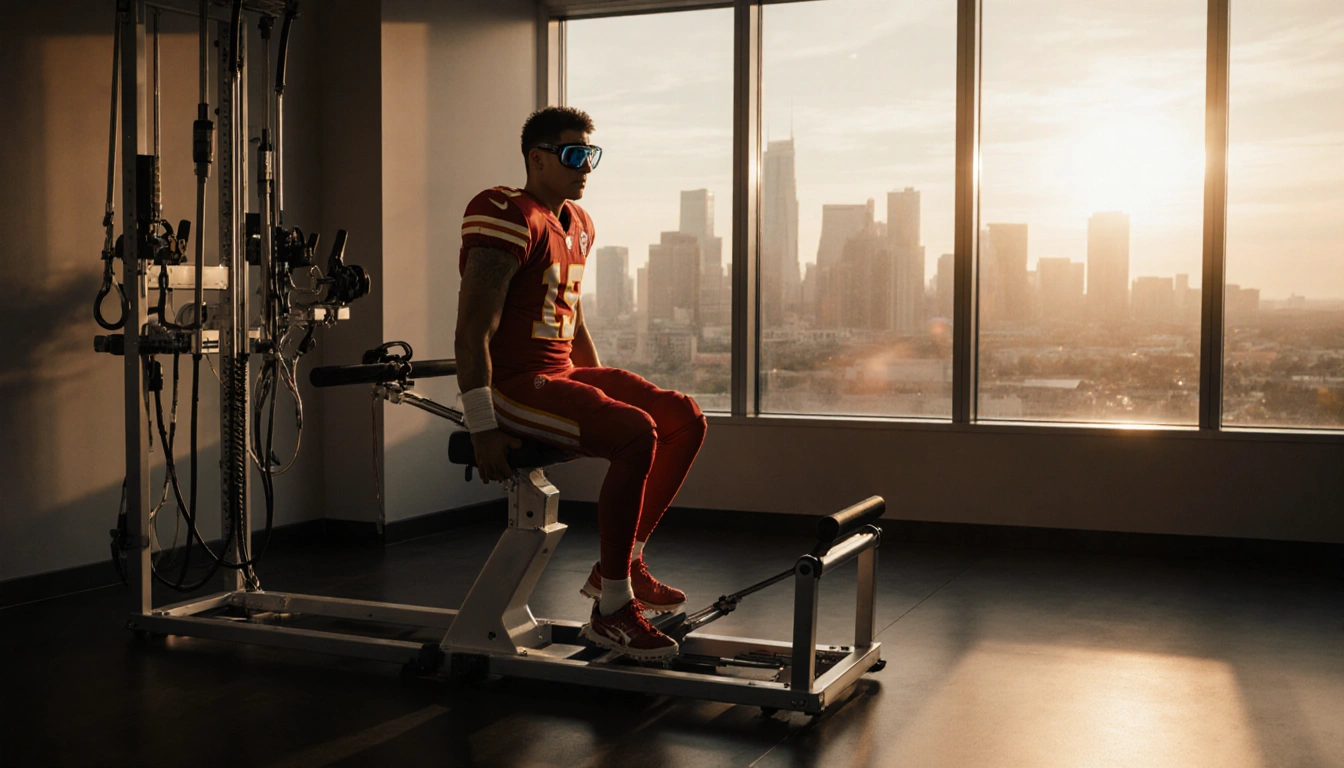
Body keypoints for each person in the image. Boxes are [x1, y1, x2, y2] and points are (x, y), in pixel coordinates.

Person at [454, 107, 707, 660]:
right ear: (537, 159)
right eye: (573, 154)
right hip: (515, 384)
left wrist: (596, 384)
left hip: (560, 372)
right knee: (637, 433)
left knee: (683, 416)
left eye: (590, 155)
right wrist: (482, 428)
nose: (585, 166)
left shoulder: (579, 222)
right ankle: (611, 610)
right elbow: (472, 331)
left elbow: (572, 317)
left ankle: (625, 565)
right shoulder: (505, 212)